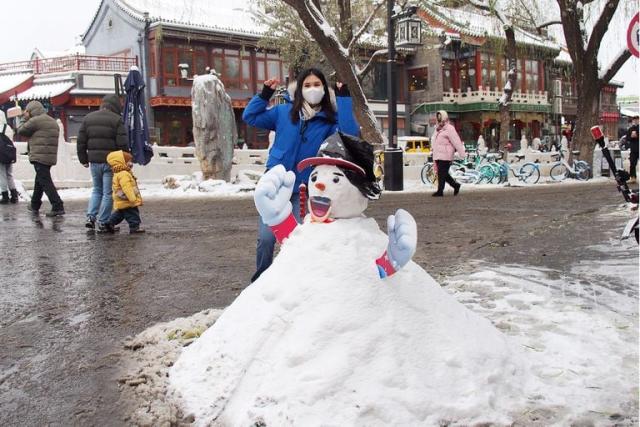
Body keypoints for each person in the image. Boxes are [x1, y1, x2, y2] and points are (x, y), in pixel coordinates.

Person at [242, 67, 359, 282]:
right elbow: (250, 116)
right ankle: (260, 281)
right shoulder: (283, 113)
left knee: (294, 237)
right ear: (299, 89)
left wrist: (343, 99)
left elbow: (350, 134)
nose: (312, 89)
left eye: (317, 85)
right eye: (307, 85)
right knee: (267, 238)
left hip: (304, 188)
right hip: (276, 185)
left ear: (324, 89)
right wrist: (265, 95)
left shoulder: (328, 122)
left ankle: (292, 281)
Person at [77, 94, 129, 231]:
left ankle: (90, 217)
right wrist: (126, 159)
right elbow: (122, 143)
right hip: (110, 162)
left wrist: (83, 159)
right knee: (108, 192)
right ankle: (103, 221)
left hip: (94, 162)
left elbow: (81, 141)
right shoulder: (117, 120)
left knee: (96, 190)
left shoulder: (88, 118)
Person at [17, 101, 64, 216]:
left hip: (39, 155)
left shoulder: (36, 120)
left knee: (45, 182)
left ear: (31, 110)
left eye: (27, 111)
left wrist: (24, 118)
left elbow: (21, 130)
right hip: (49, 156)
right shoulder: (51, 120)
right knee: (40, 181)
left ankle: (57, 205)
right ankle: (35, 204)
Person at [100, 150, 145, 234]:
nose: (131, 163)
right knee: (133, 213)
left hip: (122, 197)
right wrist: (132, 198)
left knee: (120, 213)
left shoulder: (118, 172)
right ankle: (135, 227)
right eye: (129, 161)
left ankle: (109, 223)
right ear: (121, 162)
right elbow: (126, 187)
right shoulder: (124, 173)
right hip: (127, 198)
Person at [431, 110, 465, 197]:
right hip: (438, 155)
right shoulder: (437, 129)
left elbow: (456, 141)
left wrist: (462, 153)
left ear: (444, 118)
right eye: (438, 119)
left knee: (442, 173)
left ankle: (440, 191)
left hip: (446, 155)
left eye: (441, 118)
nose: (439, 121)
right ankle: (455, 185)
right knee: (443, 174)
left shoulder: (450, 128)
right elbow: (435, 141)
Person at [0, 110, 19, 204]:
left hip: (1, 154)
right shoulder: (8, 128)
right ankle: (14, 195)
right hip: (9, 153)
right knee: (9, 174)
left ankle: (5, 196)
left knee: (2, 175)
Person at [627, 115, 638, 183]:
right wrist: (631, 137)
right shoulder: (630, 129)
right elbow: (627, 138)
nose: (635, 121)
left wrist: (637, 136)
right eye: (634, 120)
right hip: (633, 149)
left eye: (637, 119)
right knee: (632, 163)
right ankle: (633, 177)